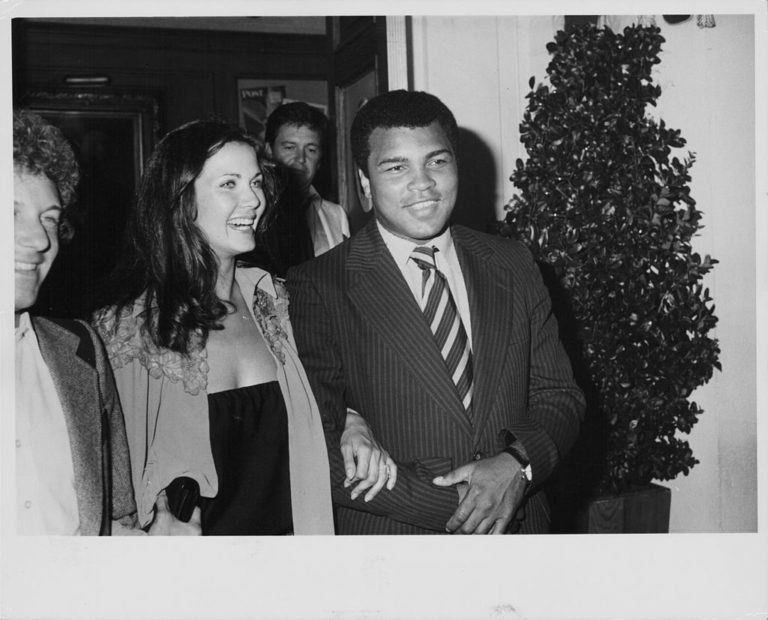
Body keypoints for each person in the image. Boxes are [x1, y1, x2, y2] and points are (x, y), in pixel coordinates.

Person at [287, 90, 586, 535]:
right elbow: (314, 445)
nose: (423, 183)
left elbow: (559, 395)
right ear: (365, 184)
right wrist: (462, 504)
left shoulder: (513, 262)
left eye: (437, 161)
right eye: (396, 167)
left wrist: (516, 465)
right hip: (397, 543)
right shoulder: (319, 285)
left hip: (520, 532)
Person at [93, 119, 390, 535]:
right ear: (180, 198)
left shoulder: (279, 302)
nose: (253, 200)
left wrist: (351, 419)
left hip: (294, 556)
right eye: (228, 184)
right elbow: (100, 485)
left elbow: (329, 387)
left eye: (255, 182)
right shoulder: (130, 329)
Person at [13, 109, 197, 536]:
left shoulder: (79, 349)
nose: (39, 239)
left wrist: (146, 546)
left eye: (49, 219)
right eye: (11, 212)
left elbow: (110, 517)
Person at [254, 102, 349, 275]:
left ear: (319, 161)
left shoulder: (336, 215)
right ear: (269, 151)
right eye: (290, 147)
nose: (300, 158)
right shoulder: (252, 212)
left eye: (311, 150)